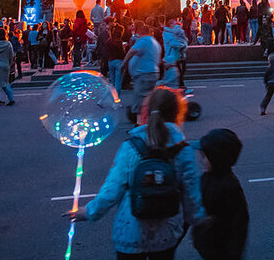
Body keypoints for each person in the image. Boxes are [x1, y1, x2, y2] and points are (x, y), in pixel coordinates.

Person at [76, 88, 205, 259]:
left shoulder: (131, 147)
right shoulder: (183, 150)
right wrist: (198, 219)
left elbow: (112, 190)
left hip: (130, 233)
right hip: (166, 234)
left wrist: (88, 212)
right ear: (177, 114)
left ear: (147, 112)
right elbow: (191, 194)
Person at [193, 129, 248, 260]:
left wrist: (234, 253)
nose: (201, 160)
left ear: (217, 158)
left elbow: (239, 223)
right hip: (207, 244)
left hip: (222, 250)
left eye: (204, 157)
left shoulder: (230, 186)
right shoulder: (206, 177)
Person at [122, 21, 163, 121]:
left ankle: (139, 123)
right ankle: (150, 121)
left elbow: (132, 51)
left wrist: (124, 63)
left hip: (143, 74)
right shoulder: (154, 42)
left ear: (140, 33)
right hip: (153, 72)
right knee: (149, 98)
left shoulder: (144, 40)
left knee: (140, 99)